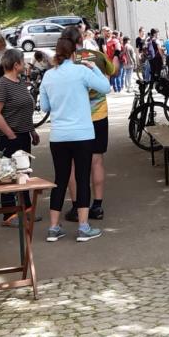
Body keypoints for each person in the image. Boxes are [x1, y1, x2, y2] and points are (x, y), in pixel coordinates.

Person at [39, 37, 111, 242]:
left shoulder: (48, 76)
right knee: (81, 178)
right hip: (82, 133)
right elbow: (105, 87)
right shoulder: (81, 71)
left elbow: (44, 107)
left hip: (58, 135)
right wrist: (93, 68)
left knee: (60, 179)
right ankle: (83, 226)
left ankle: (53, 227)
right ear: (74, 53)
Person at [61, 26, 115, 222]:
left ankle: (76, 207)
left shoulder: (64, 63)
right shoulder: (95, 55)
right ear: (81, 40)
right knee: (96, 161)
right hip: (99, 116)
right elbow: (112, 71)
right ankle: (97, 205)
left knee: (74, 164)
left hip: (76, 118)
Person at [0, 49, 40, 226]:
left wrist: (31, 130)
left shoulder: (19, 82)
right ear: (15, 64)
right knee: (9, 174)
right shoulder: (2, 84)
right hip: (8, 137)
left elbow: (25, 109)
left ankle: (26, 209)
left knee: (24, 171)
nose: (25, 64)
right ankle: (9, 215)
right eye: (22, 61)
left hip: (23, 134)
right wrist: (10, 134)